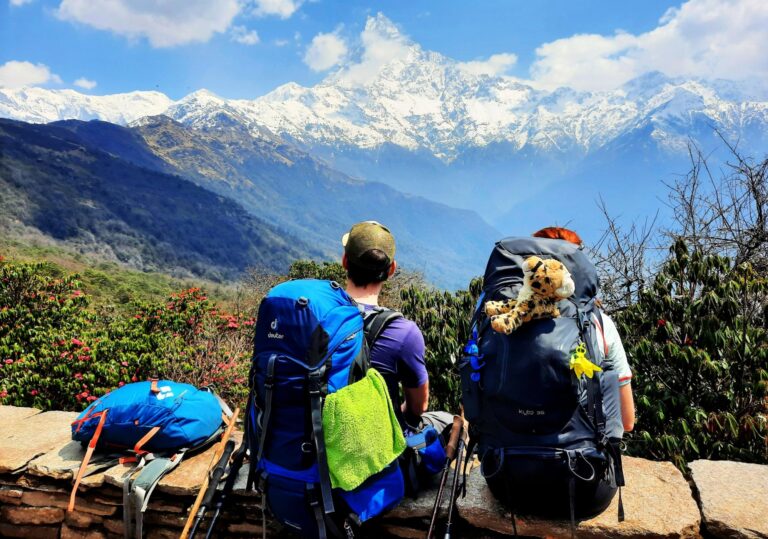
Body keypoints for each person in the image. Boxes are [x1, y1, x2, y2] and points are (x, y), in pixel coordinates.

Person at [341, 221, 453, 446]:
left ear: (345, 262)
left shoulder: (313, 315)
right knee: (447, 421)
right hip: (372, 450)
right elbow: (418, 407)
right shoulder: (402, 332)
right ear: (391, 270)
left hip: (312, 445)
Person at [532, 226, 635, 432]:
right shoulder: (601, 324)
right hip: (579, 457)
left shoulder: (502, 320)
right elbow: (626, 421)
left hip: (506, 455)